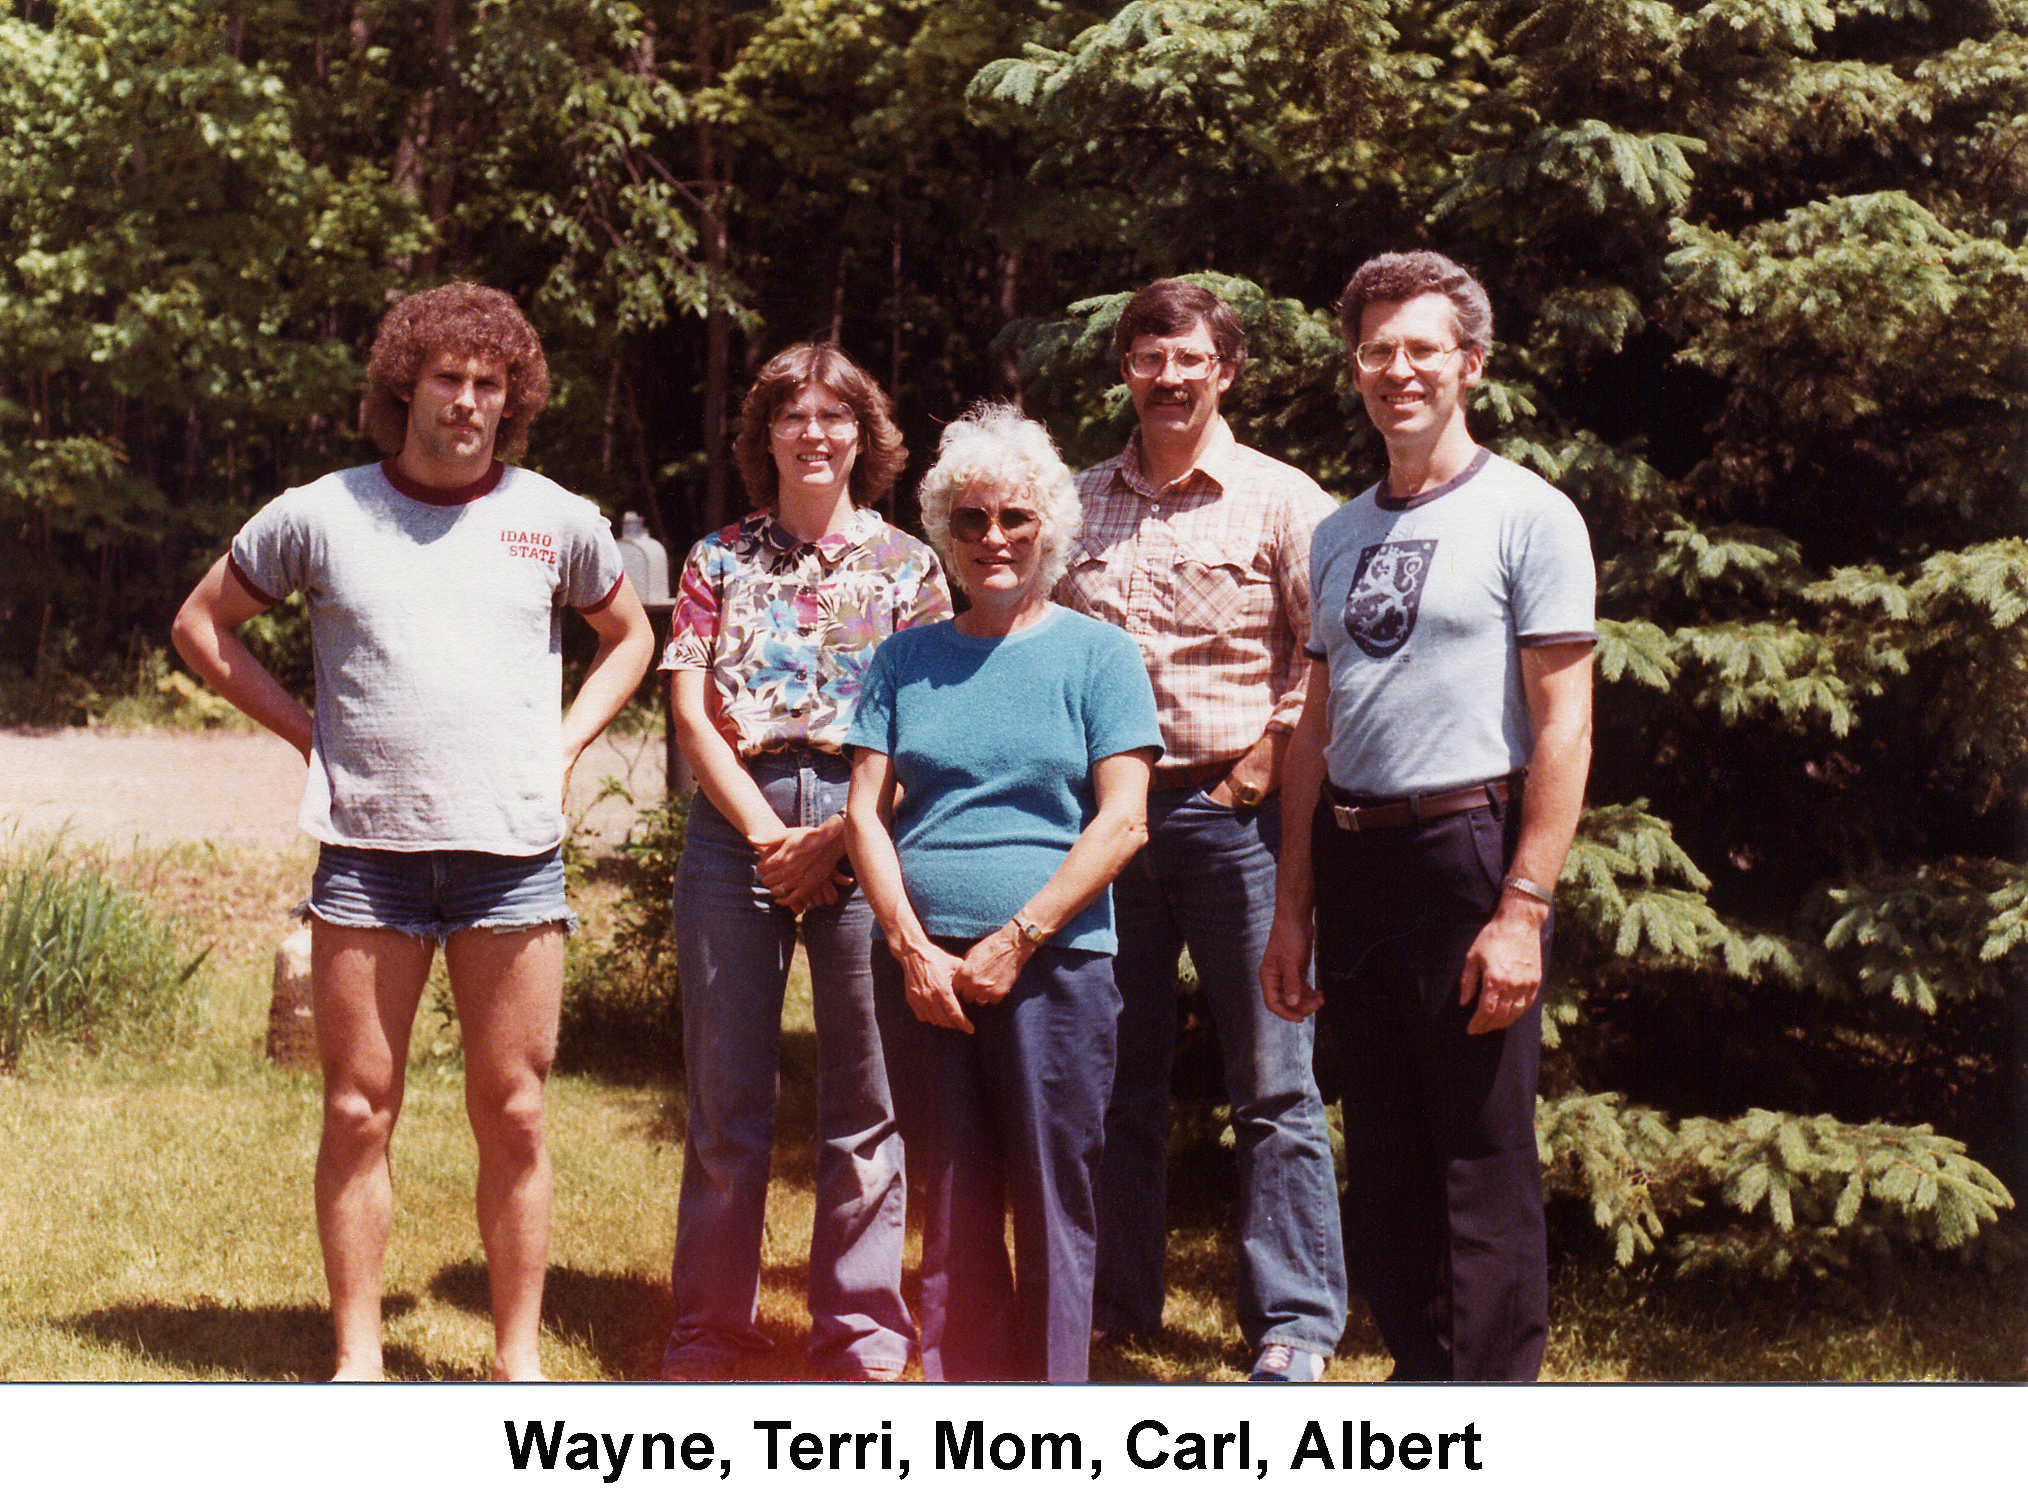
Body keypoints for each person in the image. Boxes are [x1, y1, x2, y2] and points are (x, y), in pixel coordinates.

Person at [170, 282, 655, 1381]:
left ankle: (518, 1359)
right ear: (405, 386)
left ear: (514, 397)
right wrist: (307, 733)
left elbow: (627, 637)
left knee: (518, 1111)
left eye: (490, 384)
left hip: (513, 858)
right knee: (355, 1108)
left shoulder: (556, 516)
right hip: (369, 862)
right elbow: (202, 626)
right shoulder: (321, 512)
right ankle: (358, 1361)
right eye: (448, 379)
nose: (469, 402)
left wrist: (568, 743)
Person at [1261, 250, 1596, 1382]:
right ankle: (1418, 1388)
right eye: (1376, 350)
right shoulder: (1338, 531)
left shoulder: (1530, 516)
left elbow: (1564, 728)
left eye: (1422, 348)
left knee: (1480, 1155)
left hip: (1468, 859)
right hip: (1355, 867)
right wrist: (1293, 906)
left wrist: (1523, 907)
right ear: (1355, 365)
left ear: (1471, 364)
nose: (1397, 370)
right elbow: (1315, 727)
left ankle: (1492, 1412)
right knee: (1389, 1159)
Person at [1055, 278, 1347, 1380]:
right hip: (1109, 822)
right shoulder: (1077, 502)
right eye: (1147, 358)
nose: (1167, 378)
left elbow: (1325, 663)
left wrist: (1258, 771)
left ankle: (1295, 1322)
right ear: (1125, 369)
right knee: (1109, 1074)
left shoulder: (1283, 501)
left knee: (1273, 1077)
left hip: (1243, 819)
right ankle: (1115, 1300)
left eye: (1188, 359)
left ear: (1225, 368)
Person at [845, 404, 1161, 1382]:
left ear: (1049, 528)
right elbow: (864, 812)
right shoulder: (903, 658)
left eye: (1014, 518)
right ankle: (963, 1405)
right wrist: (910, 949)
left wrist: (1018, 937)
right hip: (925, 968)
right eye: (971, 518)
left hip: (1055, 966)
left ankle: (1056, 1411)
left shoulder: (1099, 656)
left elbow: (1124, 820)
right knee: (953, 1193)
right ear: (942, 529)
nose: (992, 537)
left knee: (1054, 1191)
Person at [658, 343, 948, 1382]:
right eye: (794, 415)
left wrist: (835, 836)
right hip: (736, 824)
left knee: (867, 1104)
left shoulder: (912, 568)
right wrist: (768, 835)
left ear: (866, 435)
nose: (815, 433)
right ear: (765, 433)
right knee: (728, 1101)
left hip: (868, 818)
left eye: (837, 417)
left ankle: (862, 1334)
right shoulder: (718, 558)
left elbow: (930, 722)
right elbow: (690, 709)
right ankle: (707, 1331)